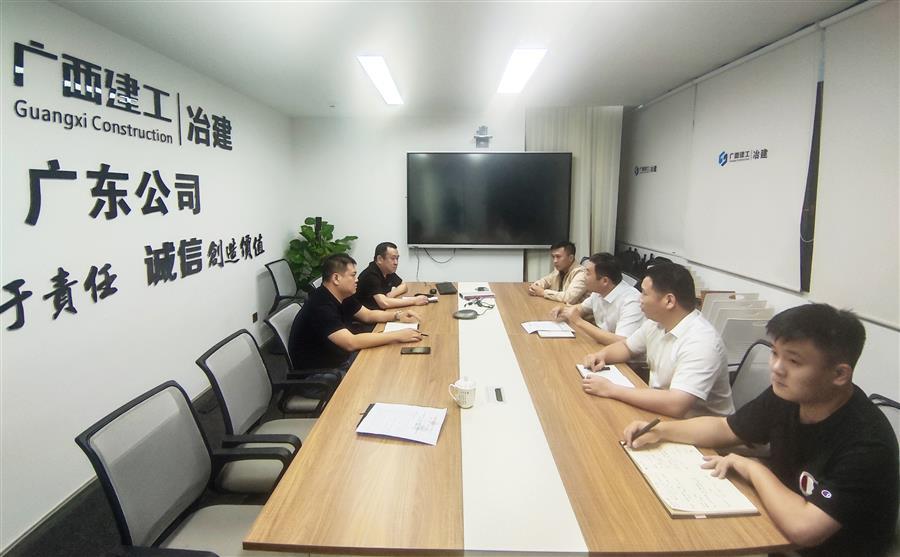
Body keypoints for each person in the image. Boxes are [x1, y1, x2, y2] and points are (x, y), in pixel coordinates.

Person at [622, 304, 899, 556]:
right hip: (775, 527)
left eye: (794, 361)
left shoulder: (867, 444)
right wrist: (662, 431)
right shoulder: (789, 395)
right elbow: (725, 427)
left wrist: (754, 469)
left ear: (839, 374)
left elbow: (805, 529)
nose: (777, 368)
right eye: (775, 353)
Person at [582, 262, 733, 417]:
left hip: (693, 426)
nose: (639, 299)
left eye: (644, 294)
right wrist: (602, 355)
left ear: (669, 301)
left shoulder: (701, 342)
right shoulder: (656, 323)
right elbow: (627, 347)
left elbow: (677, 405)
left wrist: (611, 389)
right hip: (662, 411)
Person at [289, 253, 422, 376]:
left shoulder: (342, 295)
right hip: (321, 374)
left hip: (340, 358)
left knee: (389, 360)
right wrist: (398, 335)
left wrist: (398, 316)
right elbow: (351, 342)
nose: (357, 280)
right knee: (386, 371)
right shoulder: (320, 305)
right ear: (336, 278)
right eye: (353, 275)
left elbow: (368, 315)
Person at [550, 252, 644, 345]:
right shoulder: (599, 291)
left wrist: (579, 321)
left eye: (588, 273)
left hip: (620, 352)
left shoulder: (631, 301)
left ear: (605, 281)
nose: (583, 277)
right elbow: (582, 308)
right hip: (603, 346)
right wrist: (566, 311)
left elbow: (622, 342)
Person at [356, 242, 428, 310]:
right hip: (368, 316)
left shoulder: (387, 271)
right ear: (380, 259)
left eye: (397, 258)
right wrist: (414, 301)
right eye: (393, 258)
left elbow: (404, 286)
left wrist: (390, 295)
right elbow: (384, 303)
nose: (396, 263)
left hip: (380, 311)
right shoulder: (370, 275)